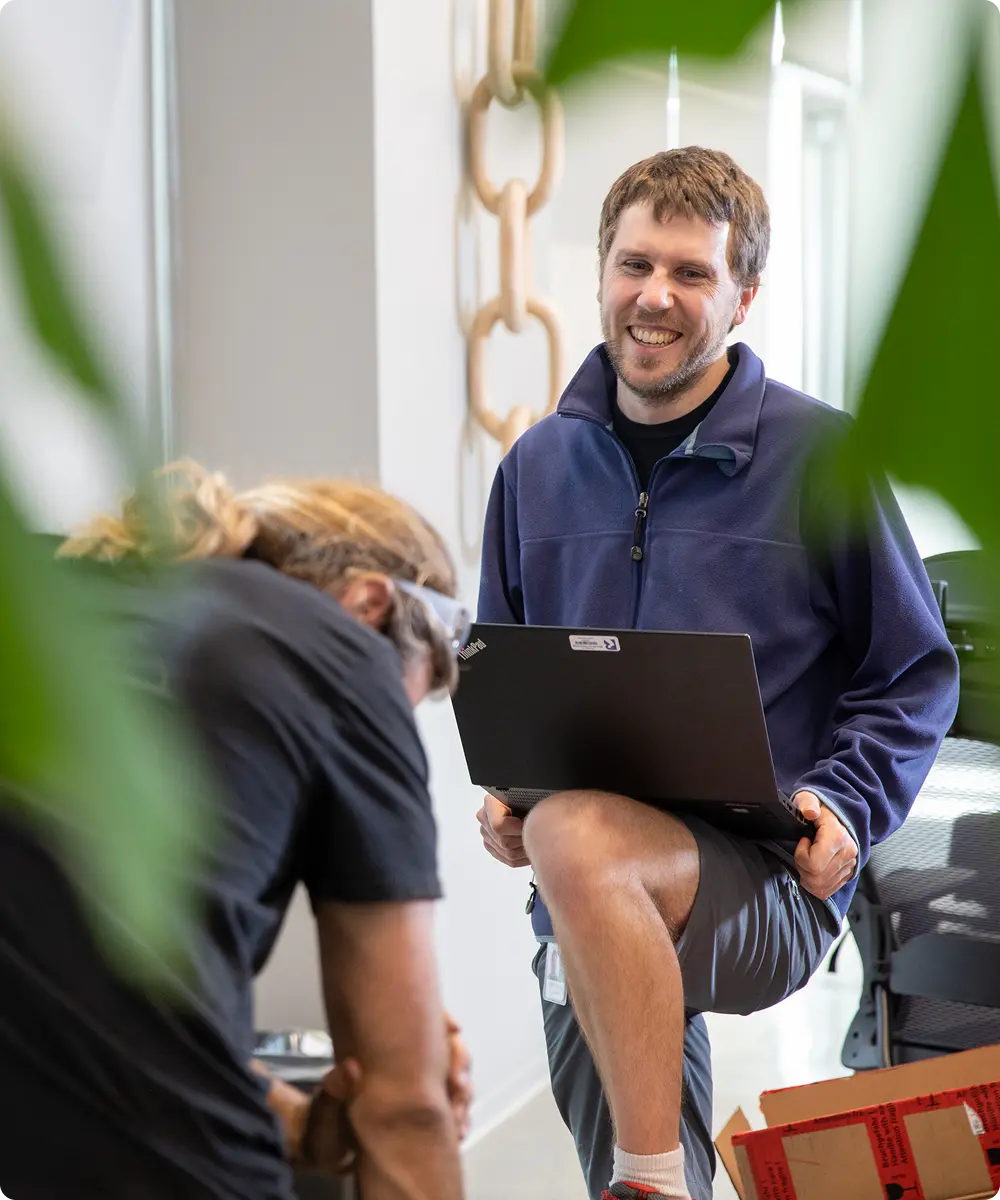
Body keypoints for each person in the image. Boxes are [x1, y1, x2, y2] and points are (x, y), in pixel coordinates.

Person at [475, 147, 960, 1200]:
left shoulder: (825, 462)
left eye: (690, 273)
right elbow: (503, 667)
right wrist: (504, 793)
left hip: (762, 875)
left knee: (576, 836)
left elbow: (912, 672)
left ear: (741, 295)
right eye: (633, 264)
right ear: (601, 272)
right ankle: (659, 1179)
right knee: (610, 1118)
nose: (654, 297)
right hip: (580, 892)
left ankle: (649, 1183)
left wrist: (846, 800)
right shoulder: (534, 470)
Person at [0, 461, 471, 1200]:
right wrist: (405, 1077)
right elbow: (406, 1106)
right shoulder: (343, 658)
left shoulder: (58, 597)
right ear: (370, 604)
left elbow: (66, 969)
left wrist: (293, 1120)